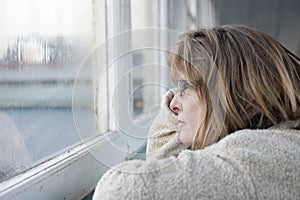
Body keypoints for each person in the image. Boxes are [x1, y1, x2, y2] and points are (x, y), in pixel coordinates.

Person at [93, 24, 300, 199]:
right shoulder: (280, 142)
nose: (172, 105)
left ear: (228, 94)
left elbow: (116, 191)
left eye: (184, 87)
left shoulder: (254, 156)